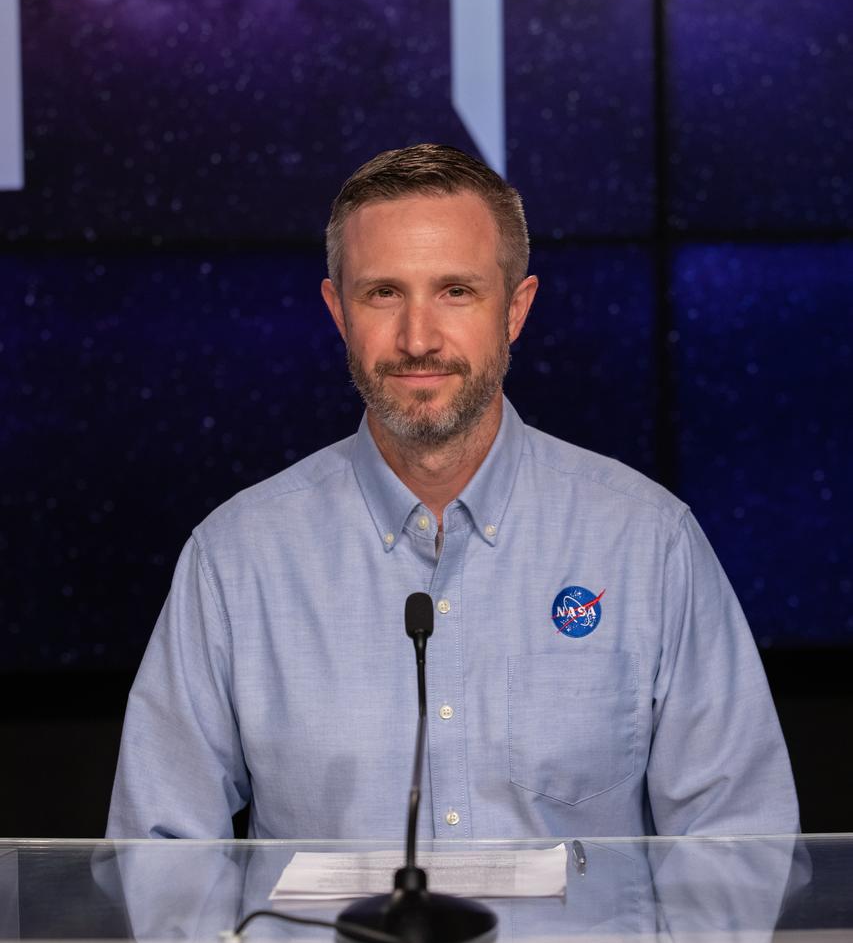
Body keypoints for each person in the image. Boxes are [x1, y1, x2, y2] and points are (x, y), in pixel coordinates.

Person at [107, 144, 799, 840]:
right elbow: (159, 858)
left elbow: (737, 846)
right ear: (338, 311)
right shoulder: (234, 560)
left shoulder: (647, 544)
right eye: (383, 293)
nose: (417, 339)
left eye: (455, 292)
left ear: (515, 310)